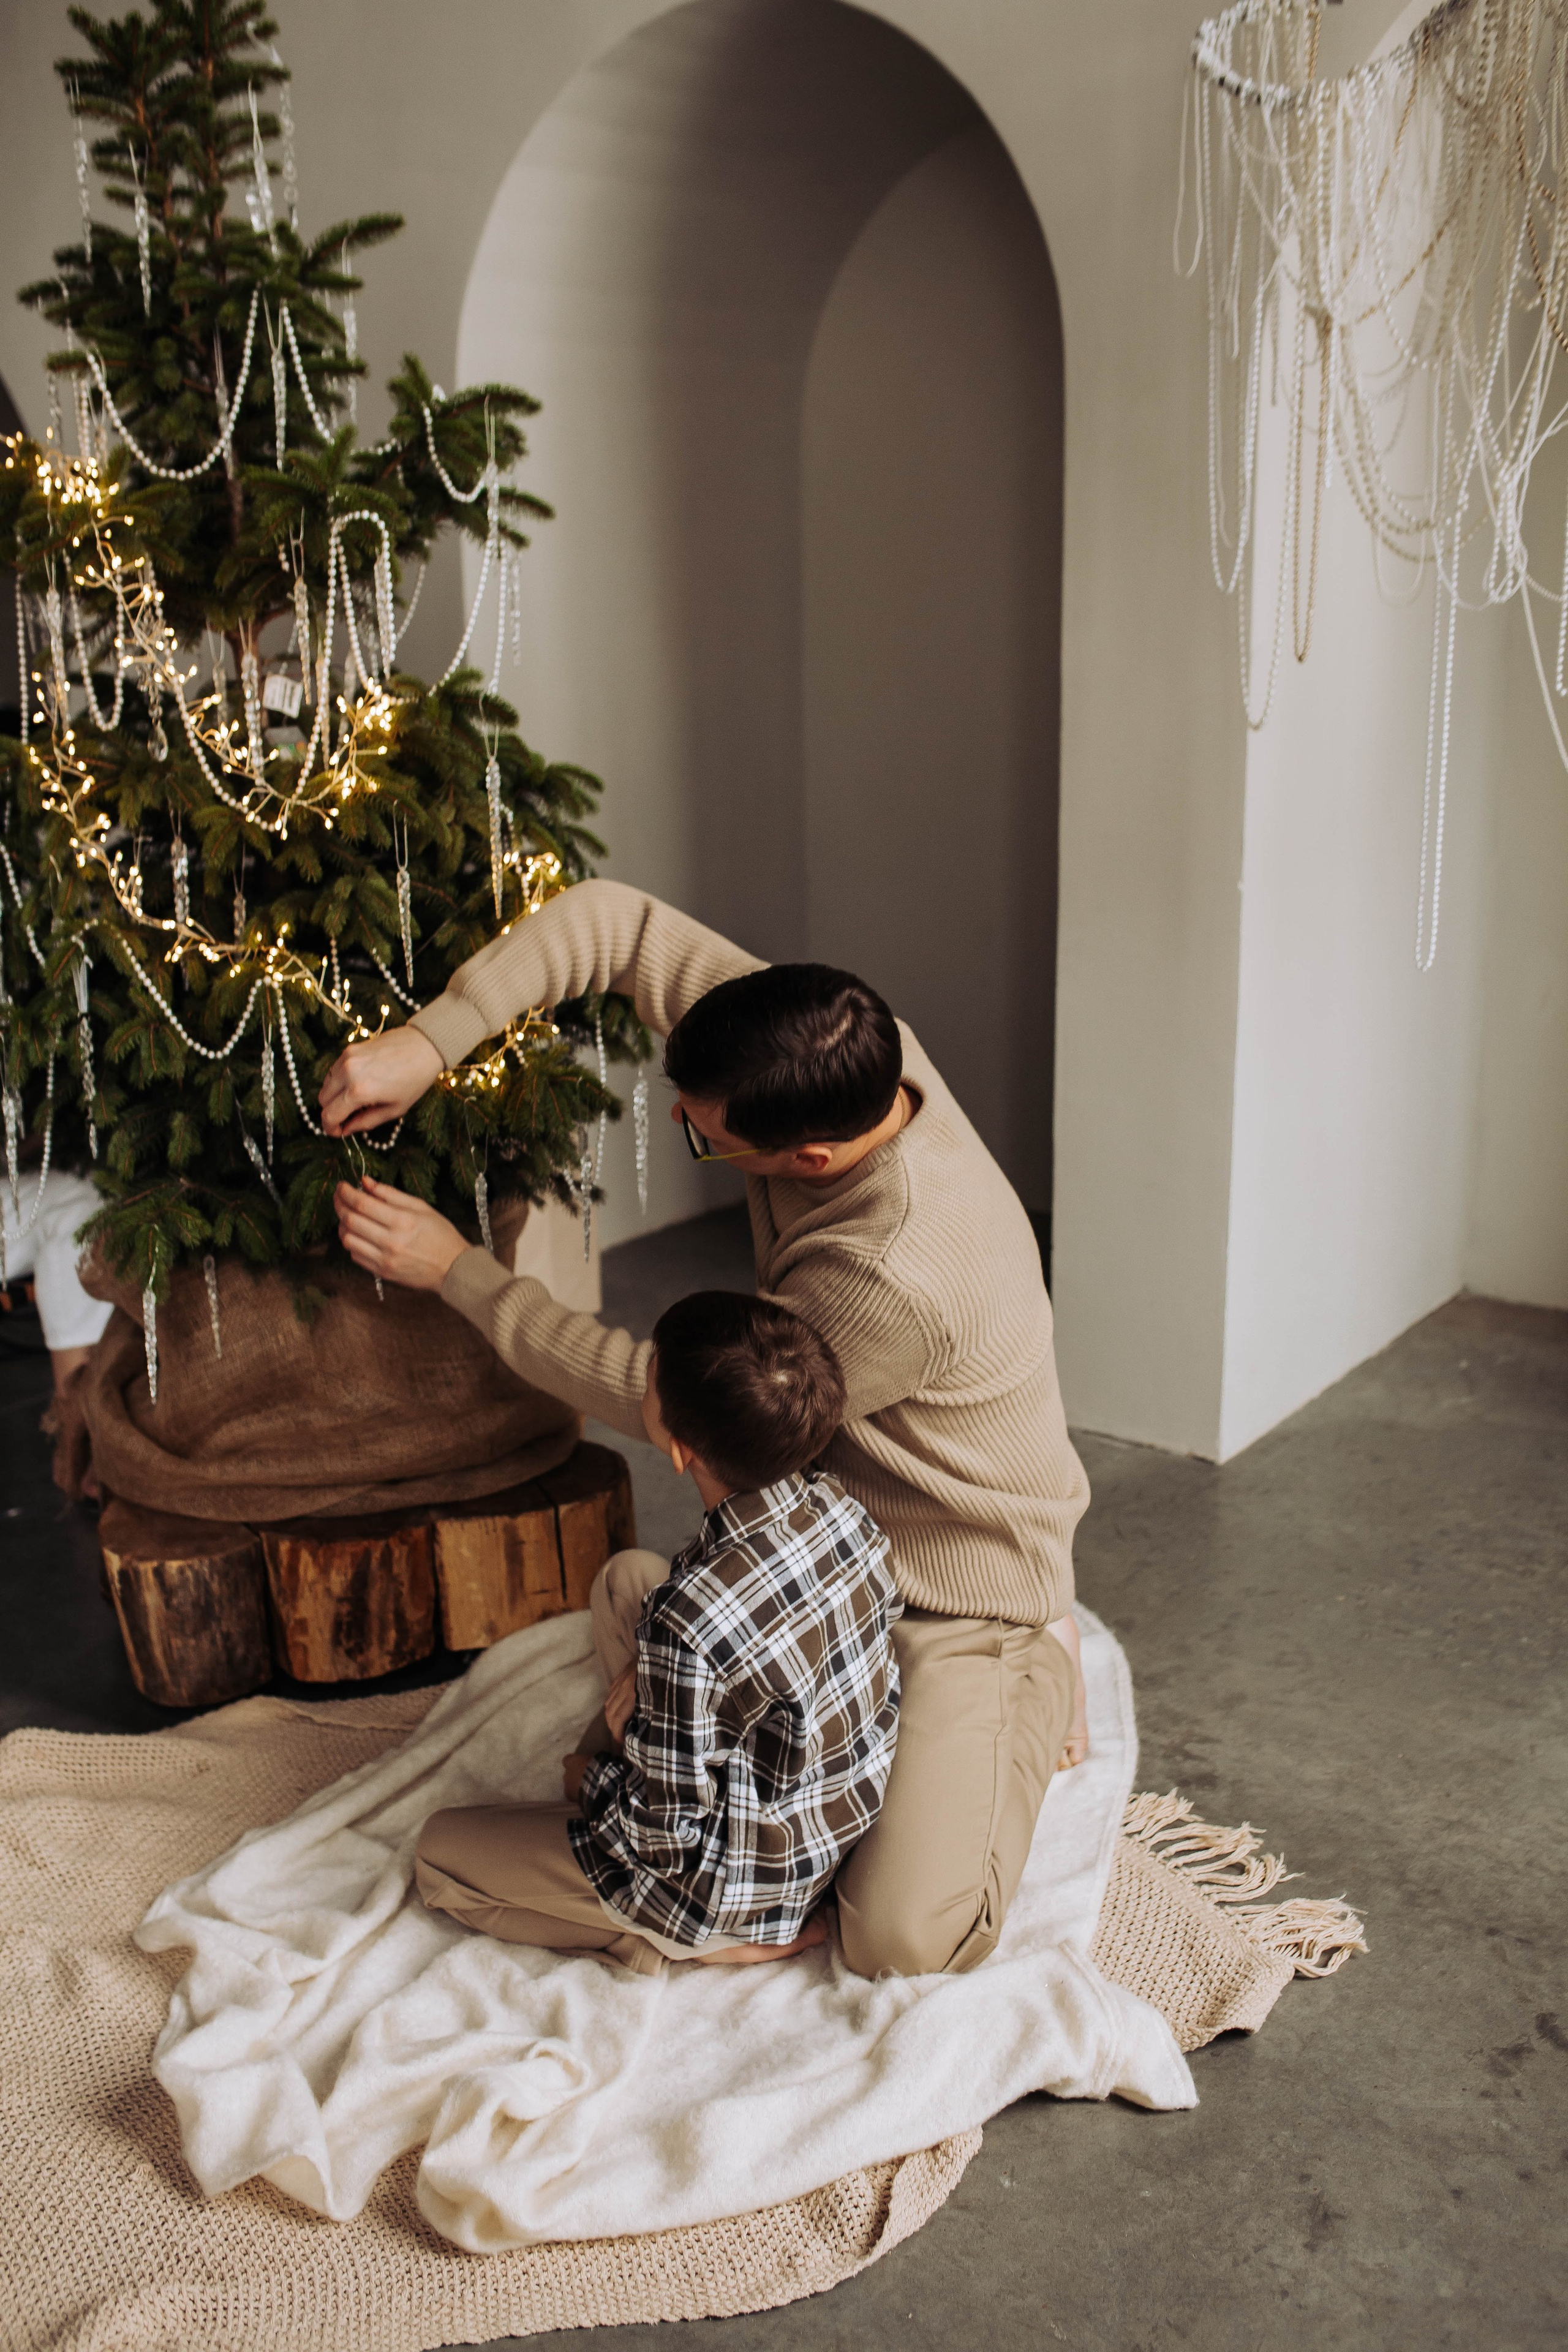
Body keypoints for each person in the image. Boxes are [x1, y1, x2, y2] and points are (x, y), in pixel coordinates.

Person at [325, 877, 1090, 1978]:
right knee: (679, 1638)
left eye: (704, 1136)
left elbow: (663, 1388)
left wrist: (458, 1273)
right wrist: (426, 1042)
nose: (683, 1120)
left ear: (810, 1160)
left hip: (952, 1581)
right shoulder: (829, 1045)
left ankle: (1038, 1652)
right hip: (837, 1532)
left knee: (905, 1939)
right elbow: (618, 924)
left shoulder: (890, 1275)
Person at [415, 1289, 901, 1976]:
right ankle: (656, 1755)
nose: (641, 1377)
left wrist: (593, 1781)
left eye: (648, 1376)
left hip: (726, 1886)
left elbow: (663, 1840)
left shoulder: (689, 1623)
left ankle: (676, 1944)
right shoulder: (842, 1510)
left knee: (438, 1854)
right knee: (625, 1579)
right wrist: (660, 1700)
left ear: (679, 1449)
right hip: (822, 1826)